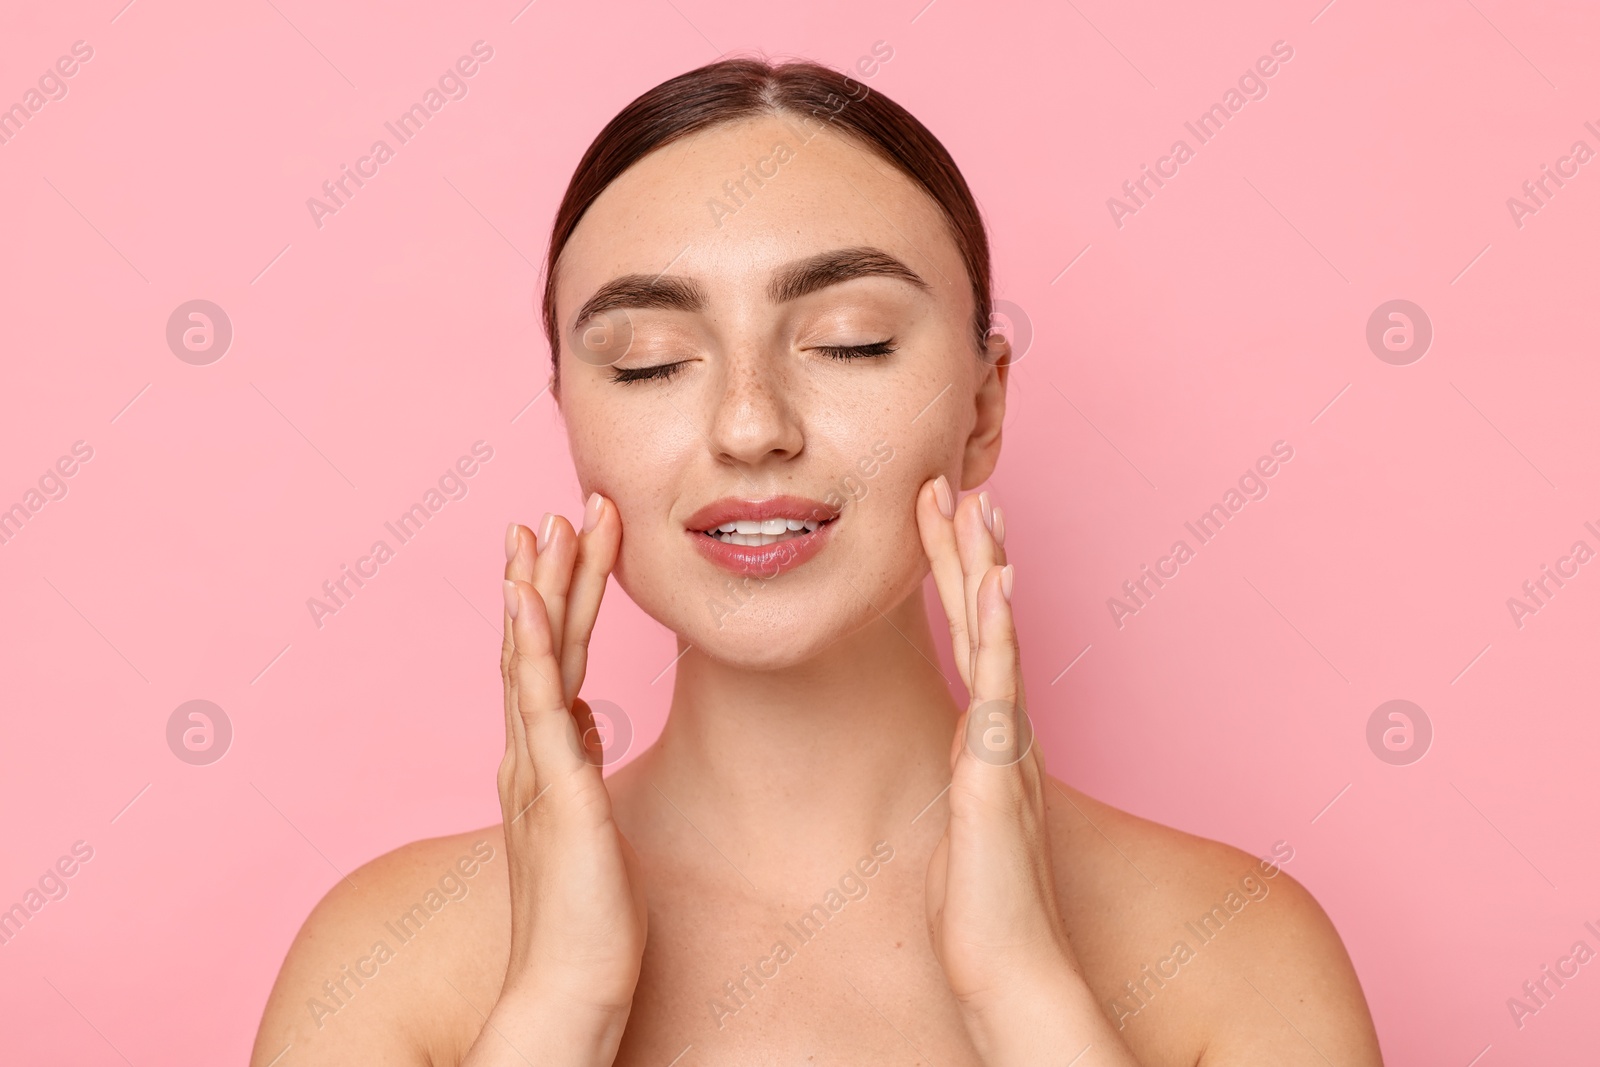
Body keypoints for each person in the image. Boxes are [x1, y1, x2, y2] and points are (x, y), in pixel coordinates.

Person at [252, 57, 1383, 1066]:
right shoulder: (389, 962)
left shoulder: (1236, 950)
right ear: (570, 423)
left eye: (851, 341)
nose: (750, 426)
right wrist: (561, 1003)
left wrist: (1026, 997)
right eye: (648, 362)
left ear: (983, 408)